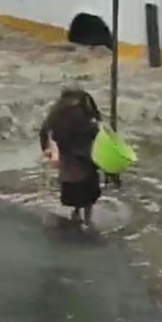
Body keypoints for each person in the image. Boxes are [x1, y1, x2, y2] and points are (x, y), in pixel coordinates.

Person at [39, 86, 104, 226]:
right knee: (87, 194)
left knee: (77, 192)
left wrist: (47, 148)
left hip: (70, 165)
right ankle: (85, 218)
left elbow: (45, 132)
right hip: (82, 163)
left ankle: (77, 214)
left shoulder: (57, 113)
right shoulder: (79, 113)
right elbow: (93, 132)